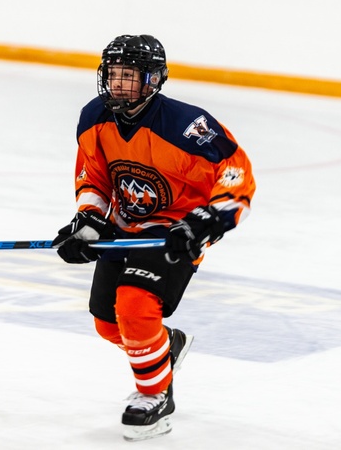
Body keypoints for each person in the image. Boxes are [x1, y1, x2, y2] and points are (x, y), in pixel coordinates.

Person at [52, 34, 255, 441]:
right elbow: (94, 176)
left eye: (131, 76)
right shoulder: (94, 117)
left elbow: (236, 171)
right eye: (114, 74)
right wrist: (89, 221)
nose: (120, 84)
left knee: (134, 306)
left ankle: (155, 396)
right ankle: (167, 348)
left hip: (176, 228)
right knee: (109, 325)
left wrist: (206, 221)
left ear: (153, 80)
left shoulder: (188, 126)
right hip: (128, 227)